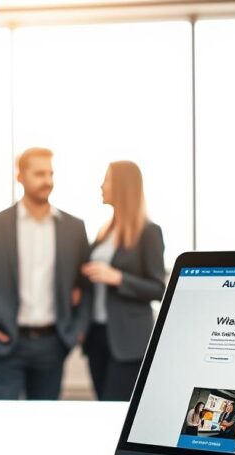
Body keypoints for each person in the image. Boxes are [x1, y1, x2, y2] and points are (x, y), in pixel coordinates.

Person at [0, 147, 91, 400]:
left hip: (53, 345)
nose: (47, 181)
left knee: (43, 429)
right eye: (39, 173)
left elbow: (86, 287)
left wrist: (76, 333)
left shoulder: (74, 228)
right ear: (19, 176)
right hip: (4, 343)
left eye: (51, 173)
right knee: (1, 426)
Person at [81, 161, 166, 401]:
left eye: (106, 180)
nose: (101, 186)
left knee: (115, 407)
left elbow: (159, 289)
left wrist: (117, 277)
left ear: (122, 186)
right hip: (98, 335)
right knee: (102, 403)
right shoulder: (105, 231)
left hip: (129, 340)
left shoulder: (148, 232)